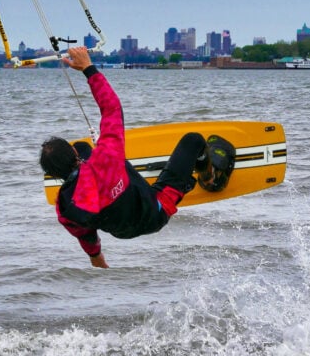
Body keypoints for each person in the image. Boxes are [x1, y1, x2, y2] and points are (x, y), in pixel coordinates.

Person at [39, 47, 234, 268]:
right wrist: (88, 69)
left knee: (86, 147)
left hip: (123, 232)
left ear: (53, 175)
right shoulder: (106, 158)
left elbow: (87, 238)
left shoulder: (66, 208)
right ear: (73, 155)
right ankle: (211, 178)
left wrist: (98, 260)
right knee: (194, 140)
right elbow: (111, 108)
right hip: (157, 211)